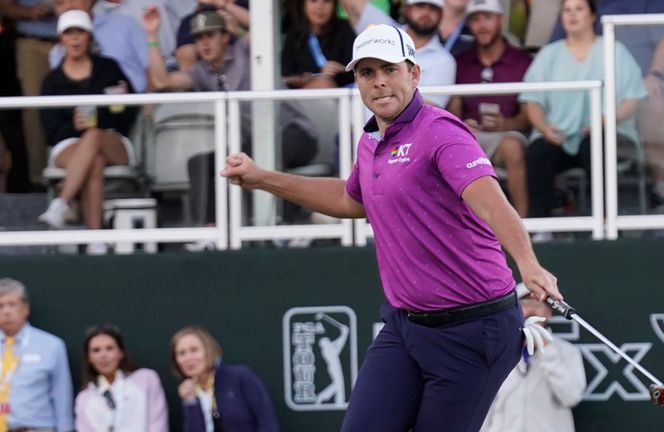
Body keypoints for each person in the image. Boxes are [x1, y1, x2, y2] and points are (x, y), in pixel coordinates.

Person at [221, 24, 562, 431]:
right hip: (406, 326)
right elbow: (350, 200)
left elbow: (492, 205)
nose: (379, 81)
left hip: (474, 330)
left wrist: (529, 264)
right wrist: (261, 178)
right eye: (367, 72)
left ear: (413, 74)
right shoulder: (370, 142)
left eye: (389, 69)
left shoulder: (442, 132)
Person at [143, 7, 319, 231]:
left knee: (271, 151)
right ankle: (210, 231)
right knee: (202, 162)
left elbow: (265, 26)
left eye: (210, 35)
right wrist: (151, 35)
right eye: (198, 38)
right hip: (253, 143)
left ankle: (285, 227)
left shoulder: (243, 50)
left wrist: (225, 5)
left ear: (225, 36)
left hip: (297, 132)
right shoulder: (200, 71)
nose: (204, 43)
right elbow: (162, 81)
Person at [521, 0, 647, 218]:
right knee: (537, 151)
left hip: (606, 135)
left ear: (592, 16)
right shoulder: (549, 54)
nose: (572, 15)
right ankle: (541, 228)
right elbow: (532, 101)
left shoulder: (614, 50)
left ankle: (606, 222)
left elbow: (633, 97)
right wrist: (544, 128)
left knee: (596, 145)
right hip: (559, 139)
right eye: (567, 10)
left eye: (579, 9)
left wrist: (607, 120)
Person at [549, 0, 664, 208]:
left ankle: (660, 184)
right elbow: (557, 47)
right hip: (592, 88)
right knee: (555, 101)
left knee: (655, 95)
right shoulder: (579, 4)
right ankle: (559, 191)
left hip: (640, 83)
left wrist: (654, 75)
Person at [37, 10, 138, 254]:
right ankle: (96, 239)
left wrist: (115, 106)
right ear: (61, 39)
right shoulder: (51, 80)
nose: (74, 39)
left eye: (79, 32)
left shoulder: (109, 68)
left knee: (93, 136)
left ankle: (62, 202)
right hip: (67, 145)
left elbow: (127, 115)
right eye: (68, 33)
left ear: (90, 37)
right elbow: (50, 131)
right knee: (95, 159)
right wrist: (75, 125)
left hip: (112, 140)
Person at [448, 0, 532, 217]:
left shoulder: (522, 61)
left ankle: (523, 224)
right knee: (453, 147)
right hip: (471, 136)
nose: (482, 25)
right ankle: (463, 228)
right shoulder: (461, 61)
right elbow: (454, 107)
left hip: (507, 135)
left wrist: (506, 124)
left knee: (512, 145)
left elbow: (528, 115)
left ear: (501, 20)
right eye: (475, 19)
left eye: (488, 18)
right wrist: (462, 125)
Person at [480, 295, 586, 432]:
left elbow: (571, 397)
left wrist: (547, 349)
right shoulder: (495, 351)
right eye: (524, 303)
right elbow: (481, 408)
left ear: (549, 312)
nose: (530, 310)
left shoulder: (566, 351)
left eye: (537, 303)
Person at [339, 0, 457, 107]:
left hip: (406, 131)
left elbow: (428, 109)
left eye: (432, 8)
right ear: (407, 9)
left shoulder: (445, 61)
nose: (426, 12)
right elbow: (351, 3)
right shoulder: (382, 30)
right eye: (420, 6)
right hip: (354, 127)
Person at [170, 326, 279, 431]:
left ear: (209, 350)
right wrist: (190, 402)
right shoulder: (190, 392)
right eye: (181, 353)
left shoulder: (239, 375)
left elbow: (267, 422)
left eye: (194, 350)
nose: (188, 358)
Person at [0, 278, 74, 431]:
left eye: (12, 304)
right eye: (0, 306)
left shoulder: (51, 345)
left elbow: (62, 398)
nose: (6, 311)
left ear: (25, 309)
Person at [0, 0, 57, 188]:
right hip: (31, 42)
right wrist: (28, 11)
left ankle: (72, 170)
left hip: (71, 38)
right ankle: (38, 179)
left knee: (76, 105)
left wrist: (68, 7)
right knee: (34, 110)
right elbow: (5, 5)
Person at [75, 323, 169, 432]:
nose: (103, 355)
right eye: (96, 350)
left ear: (121, 352)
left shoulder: (146, 379)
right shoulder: (83, 399)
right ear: (89, 358)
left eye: (109, 348)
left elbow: (158, 424)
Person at [51, 0, 149, 93]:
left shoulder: (125, 23)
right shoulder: (58, 53)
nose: (68, 6)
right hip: (89, 108)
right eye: (60, 2)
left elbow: (152, 69)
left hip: (139, 100)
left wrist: (148, 104)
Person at [281, 0, 356, 89]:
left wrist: (340, 70)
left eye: (327, 1)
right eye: (314, 1)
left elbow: (355, 68)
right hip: (304, 98)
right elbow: (286, 77)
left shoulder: (344, 28)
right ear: (303, 4)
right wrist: (316, 75)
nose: (320, 7)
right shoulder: (293, 36)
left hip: (342, 96)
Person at [174, 0, 249, 72]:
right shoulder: (191, 20)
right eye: (199, 37)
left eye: (210, 35)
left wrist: (222, 4)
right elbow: (186, 61)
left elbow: (259, 25)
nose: (205, 41)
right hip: (211, 79)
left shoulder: (250, 5)